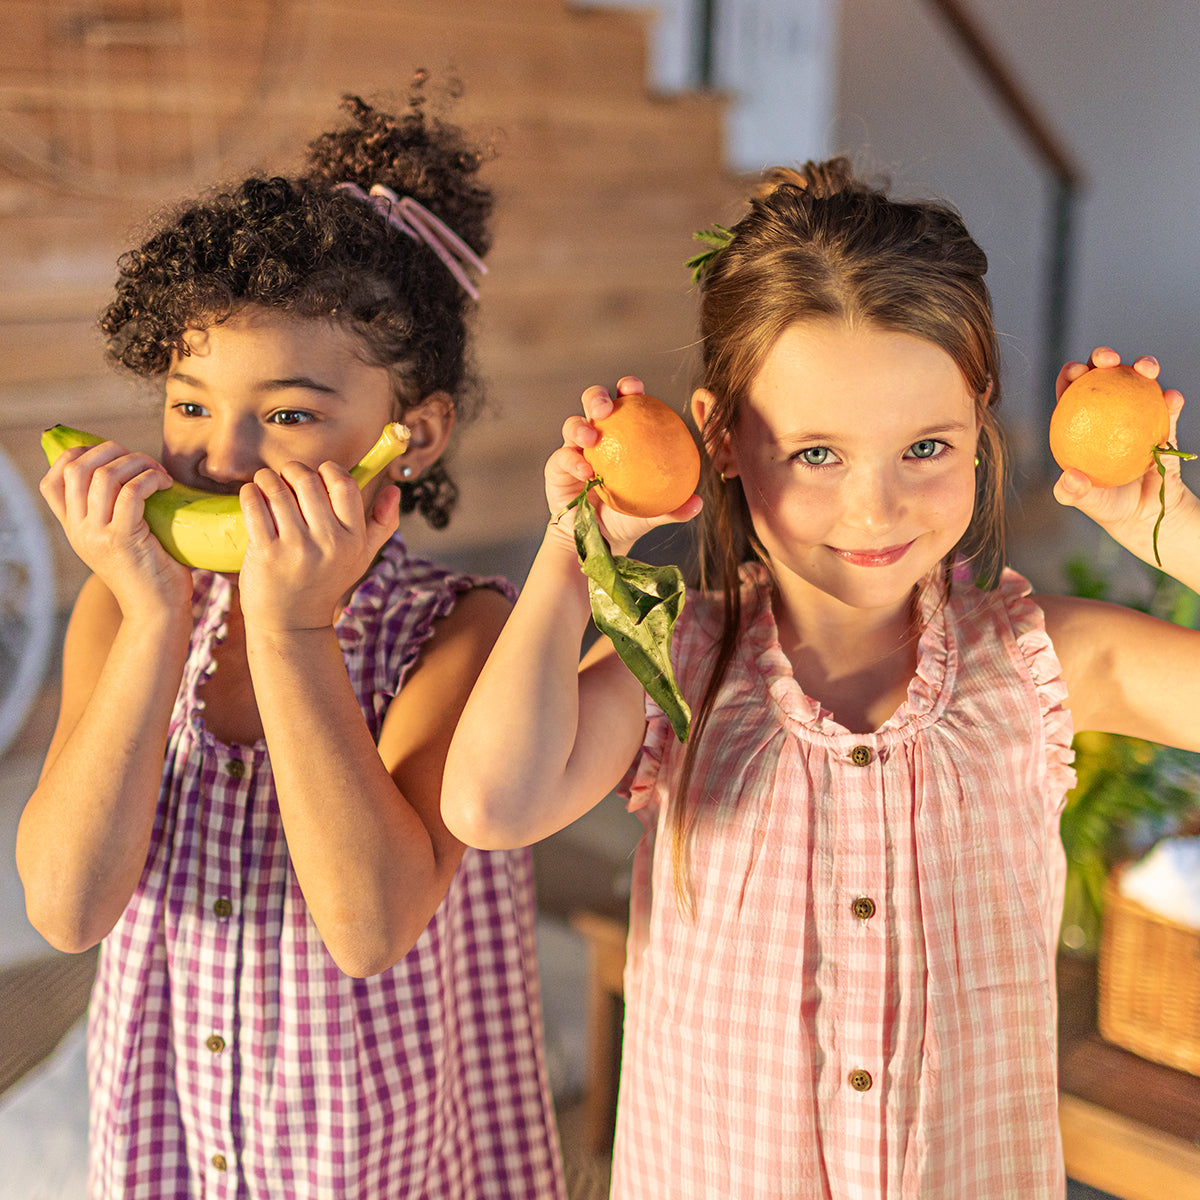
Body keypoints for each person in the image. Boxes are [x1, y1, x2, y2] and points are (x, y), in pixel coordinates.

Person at [441, 157, 1200, 1198]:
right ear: (723, 439)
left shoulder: (1041, 662)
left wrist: (1169, 525)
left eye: (925, 446)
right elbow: (490, 804)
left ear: (982, 420)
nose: (875, 511)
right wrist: (578, 553)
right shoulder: (676, 662)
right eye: (817, 456)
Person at [19, 84, 565, 1200]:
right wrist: (152, 620)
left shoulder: (460, 634)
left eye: (286, 416)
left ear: (413, 437)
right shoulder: (127, 611)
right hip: (177, 1145)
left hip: (378, 1162)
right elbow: (67, 909)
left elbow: (371, 927)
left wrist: (291, 624)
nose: (218, 459)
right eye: (186, 404)